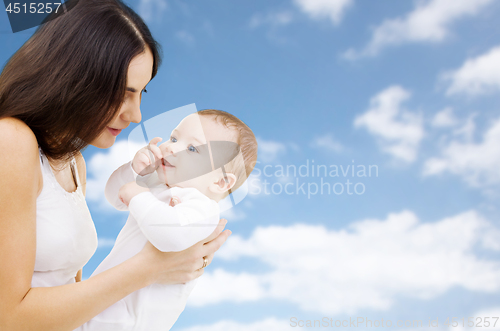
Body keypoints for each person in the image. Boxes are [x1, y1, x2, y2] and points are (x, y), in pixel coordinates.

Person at [0, 1, 231, 330]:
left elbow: (71, 300)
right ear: (73, 77)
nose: (136, 115)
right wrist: (151, 267)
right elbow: (8, 317)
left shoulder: (72, 162)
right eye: (123, 92)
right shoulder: (10, 141)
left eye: (141, 93)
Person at [78, 109, 258, 330]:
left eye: (192, 148)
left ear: (220, 182)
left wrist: (138, 195)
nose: (171, 147)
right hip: (98, 304)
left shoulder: (204, 209)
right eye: (174, 138)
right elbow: (115, 197)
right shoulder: (158, 186)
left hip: (129, 322)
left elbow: (171, 237)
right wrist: (133, 171)